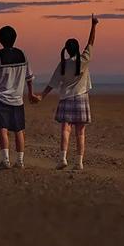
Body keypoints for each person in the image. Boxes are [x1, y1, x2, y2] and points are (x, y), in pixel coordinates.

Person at [38, 13, 99, 170]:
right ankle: (79, 162)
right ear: (77, 49)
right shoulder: (84, 60)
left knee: (65, 130)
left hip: (66, 98)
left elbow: (52, 82)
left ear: (66, 50)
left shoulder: (63, 64)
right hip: (81, 98)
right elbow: (91, 42)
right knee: (80, 132)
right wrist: (93, 25)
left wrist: (42, 96)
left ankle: (63, 158)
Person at [0, 25, 38, 169]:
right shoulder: (22, 55)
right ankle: (20, 161)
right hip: (17, 99)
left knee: (3, 128)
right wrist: (30, 93)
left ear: (0, 39)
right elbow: (29, 77)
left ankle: (5, 160)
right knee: (19, 129)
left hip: (1, 98)